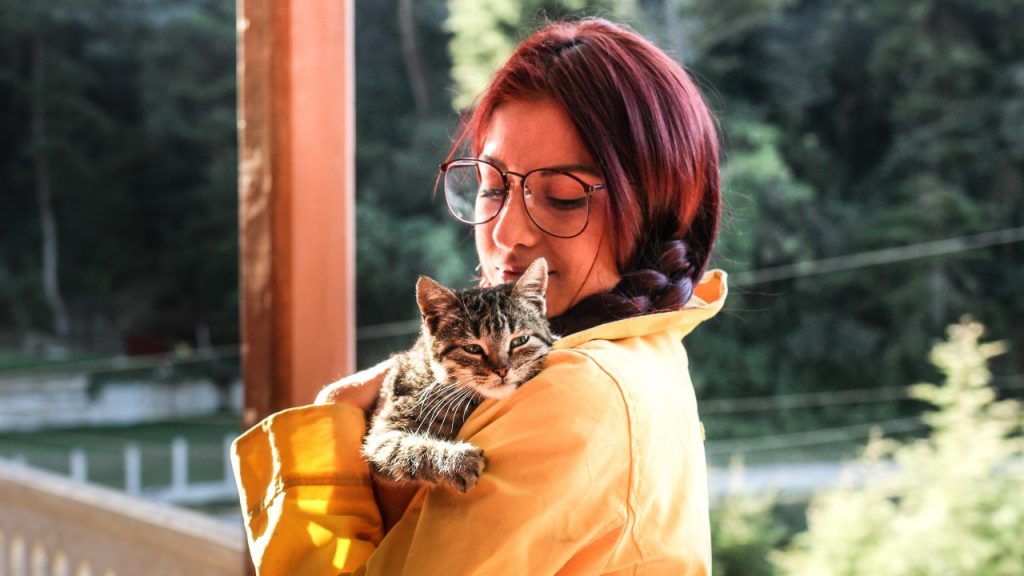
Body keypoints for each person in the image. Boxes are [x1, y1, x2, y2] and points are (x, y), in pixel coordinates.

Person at [232, 17, 727, 575]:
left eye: (563, 197)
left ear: (657, 213)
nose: (505, 233)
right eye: (492, 187)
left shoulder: (579, 391)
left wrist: (327, 435)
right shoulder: (647, 351)